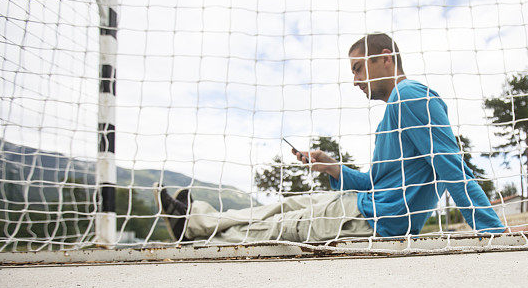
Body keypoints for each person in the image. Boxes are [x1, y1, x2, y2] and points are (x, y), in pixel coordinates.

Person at [157, 32, 505, 244]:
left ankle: (190, 230)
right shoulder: (395, 109)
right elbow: (374, 181)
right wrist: (334, 168)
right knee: (286, 205)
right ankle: (193, 216)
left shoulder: (410, 96)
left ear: (385, 59)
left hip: (379, 218)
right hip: (368, 203)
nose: (354, 80)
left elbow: (449, 166)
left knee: (284, 226)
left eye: (357, 68)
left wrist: (493, 231)